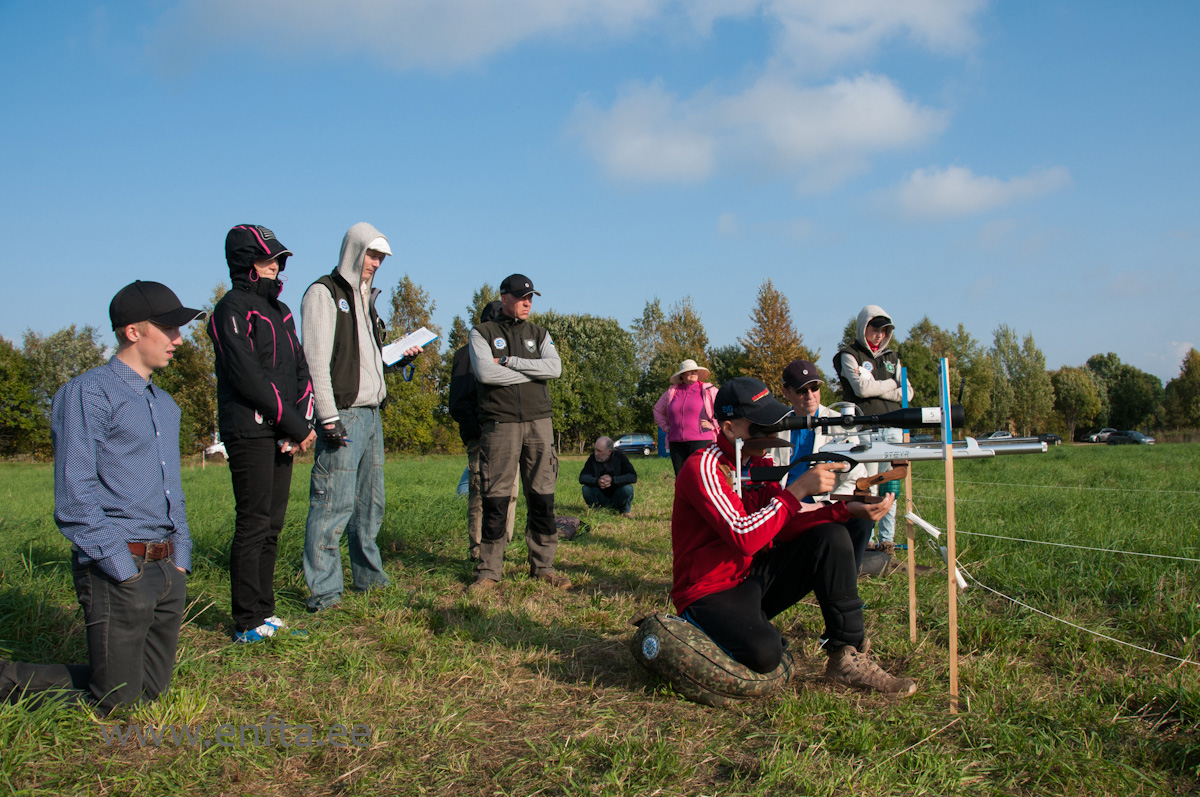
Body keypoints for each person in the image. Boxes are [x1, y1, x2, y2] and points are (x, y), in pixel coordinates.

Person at [1, 281, 203, 712]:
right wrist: (121, 568)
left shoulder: (166, 405)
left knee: (151, 692)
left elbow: (173, 489)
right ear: (133, 332)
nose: (178, 340)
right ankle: (6, 680)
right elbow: (75, 496)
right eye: (168, 328)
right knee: (118, 702)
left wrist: (180, 557)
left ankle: (109, 679)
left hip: (167, 567)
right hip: (120, 567)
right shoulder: (87, 394)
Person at [670, 376, 917, 697]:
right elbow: (744, 535)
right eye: (761, 427)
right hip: (706, 593)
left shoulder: (760, 461)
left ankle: (846, 655)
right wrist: (799, 489)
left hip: (749, 578)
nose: (772, 435)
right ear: (729, 429)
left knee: (831, 536)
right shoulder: (703, 467)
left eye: (774, 424)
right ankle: (703, 630)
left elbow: (782, 523)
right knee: (766, 653)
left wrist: (844, 511)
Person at [300, 222, 420, 612]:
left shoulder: (367, 299)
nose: (376, 264)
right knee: (332, 505)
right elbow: (316, 359)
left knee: (370, 506)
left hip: (372, 415)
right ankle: (325, 593)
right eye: (372, 255)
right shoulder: (324, 293)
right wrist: (328, 417)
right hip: (345, 415)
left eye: (381, 258)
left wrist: (397, 357)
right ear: (353, 250)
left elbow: (365, 361)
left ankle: (369, 580)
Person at [209, 225, 318, 643]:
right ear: (245, 263)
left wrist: (302, 424)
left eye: (278, 259)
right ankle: (245, 621)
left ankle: (265, 612)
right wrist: (290, 422)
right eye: (267, 259)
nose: (276, 266)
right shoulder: (230, 309)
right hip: (250, 431)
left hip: (285, 433)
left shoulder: (284, 312)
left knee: (273, 525)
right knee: (253, 523)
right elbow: (247, 375)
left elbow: (300, 370)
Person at [467, 273, 568, 592]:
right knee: (495, 498)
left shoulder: (539, 333)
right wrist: (531, 374)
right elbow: (485, 372)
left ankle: (544, 566)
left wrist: (510, 362)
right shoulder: (481, 333)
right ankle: (489, 570)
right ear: (504, 298)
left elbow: (555, 368)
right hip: (500, 423)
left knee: (542, 497)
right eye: (521, 297)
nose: (527, 302)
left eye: (531, 297)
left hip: (540, 422)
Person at [778, 359, 873, 571]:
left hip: (824, 506)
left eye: (814, 388)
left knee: (862, 520)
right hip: (785, 507)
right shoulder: (776, 425)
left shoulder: (841, 424)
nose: (809, 395)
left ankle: (848, 584)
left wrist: (822, 506)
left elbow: (857, 478)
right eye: (802, 390)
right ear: (786, 393)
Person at [832, 306, 913, 555]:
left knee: (892, 485)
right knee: (867, 484)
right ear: (863, 327)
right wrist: (892, 385)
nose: (878, 335)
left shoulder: (893, 358)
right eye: (874, 329)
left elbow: (908, 392)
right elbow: (861, 390)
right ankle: (867, 536)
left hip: (894, 428)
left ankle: (887, 540)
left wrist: (879, 386)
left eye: (883, 331)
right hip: (864, 428)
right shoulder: (849, 354)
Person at [448, 300, 518, 561]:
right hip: (483, 437)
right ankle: (478, 551)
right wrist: (476, 432)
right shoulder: (468, 354)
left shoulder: (510, 353)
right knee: (482, 494)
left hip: (510, 435)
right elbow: (458, 403)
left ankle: (502, 548)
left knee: (509, 493)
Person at [654, 359, 719, 476]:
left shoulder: (708, 389)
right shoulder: (672, 391)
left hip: (702, 440)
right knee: (681, 478)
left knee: (700, 477)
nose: (694, 373)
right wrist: (665, 426)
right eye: (690, 371)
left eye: (695, 371)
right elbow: (658, 410)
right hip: (676, 441)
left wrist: (714, 424)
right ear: (682, 375)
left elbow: (724, 407)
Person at [578, 436, 637, 517]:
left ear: (609, 451)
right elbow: (583, 477)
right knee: (586, 489)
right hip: (600, 496)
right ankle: (596, 510)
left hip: (617, 496)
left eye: (599, 451)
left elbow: (632, 476)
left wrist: (612, 480)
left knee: (628, 489)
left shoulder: (620, 457)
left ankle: (624, 511)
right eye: (595, 449)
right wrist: (597, 481)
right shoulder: (592, 459)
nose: (596, 453)